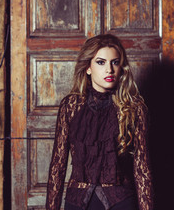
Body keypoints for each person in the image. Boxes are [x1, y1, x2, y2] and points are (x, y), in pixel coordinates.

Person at [45, 34, 153, 210]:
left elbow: (142, 170)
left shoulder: (134, 108)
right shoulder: (70, 106)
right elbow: (58, 165)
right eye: (101, 62)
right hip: (78, 202)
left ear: (121, 67)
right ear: (88, 67)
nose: (109, 70)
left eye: (115, 62)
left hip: (121, 201)